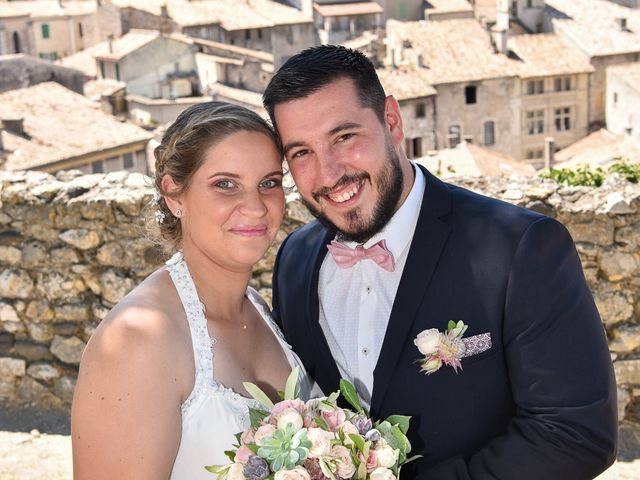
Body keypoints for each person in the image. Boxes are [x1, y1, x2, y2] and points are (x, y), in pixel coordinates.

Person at [263, 45, 617, 479]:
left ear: (391, 122)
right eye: (301, 152)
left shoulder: (521, 248)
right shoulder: (294, 262)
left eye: (344, 137)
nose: (330, 173)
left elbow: (576, 433)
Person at [71, 102, 315, 479]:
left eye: (268, 183)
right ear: (174, 195)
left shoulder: (258, 310)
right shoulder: (138, 340)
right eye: (225, 184)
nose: (254, 207)